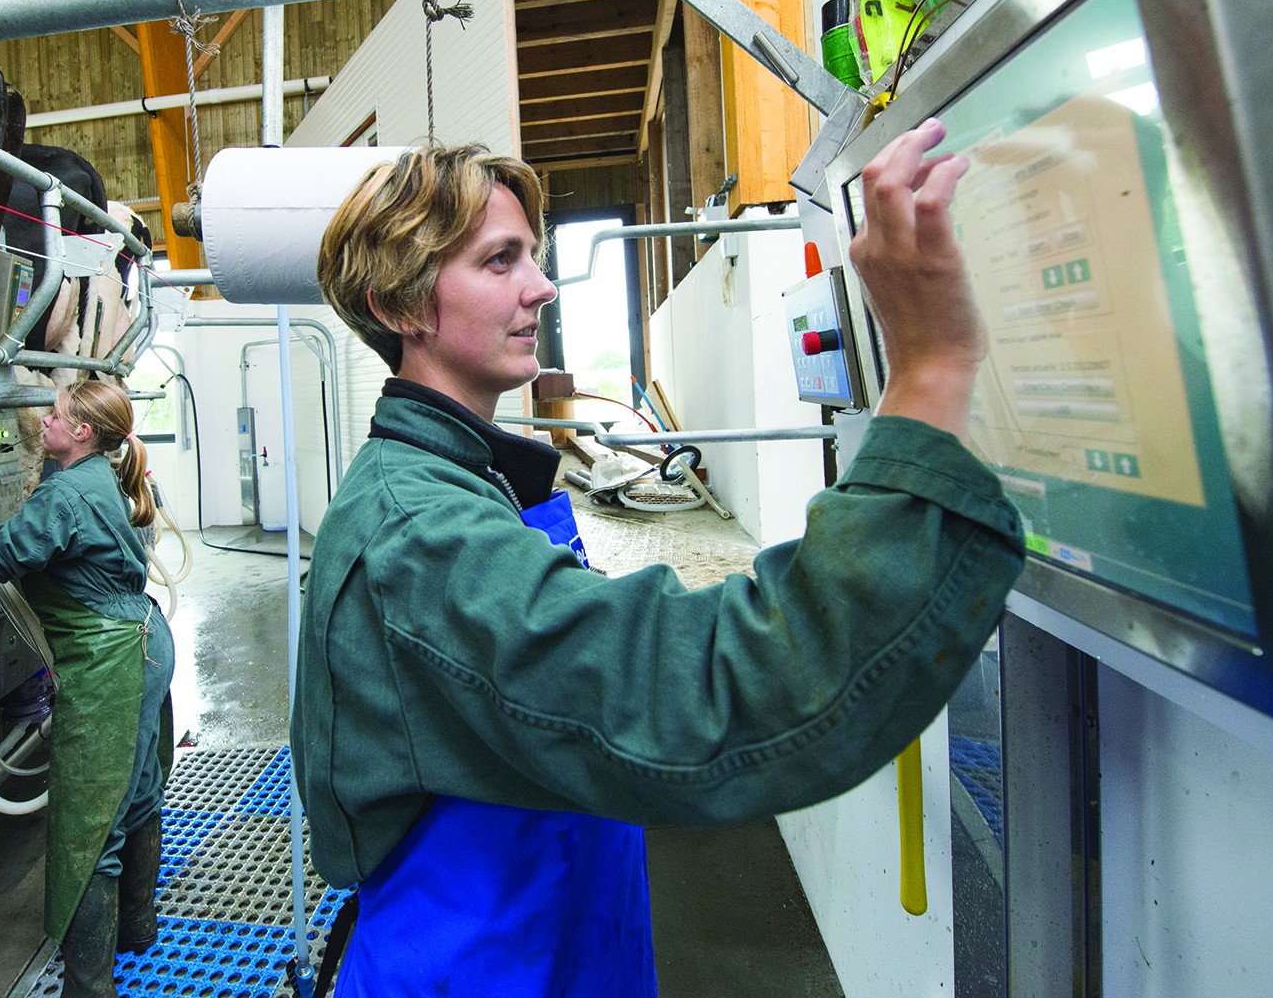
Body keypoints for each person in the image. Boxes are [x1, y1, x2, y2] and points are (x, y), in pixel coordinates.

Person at [290, 120, 1025, 996]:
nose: (543, 286)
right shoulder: (418, 531)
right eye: (500, 260)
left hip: (544, 947)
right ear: (399, 304)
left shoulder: (461, 477)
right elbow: (710, 694)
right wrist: (931, 368)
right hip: (473, 968)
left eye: (534, 253)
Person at [0, 379, 174, 998]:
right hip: (143, 641)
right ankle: (136, 926)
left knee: (88, 826)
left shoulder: (64, 494)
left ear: (81, 432)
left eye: (55, 416)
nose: (45, 423)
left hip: (110, 662)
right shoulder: (92, 481)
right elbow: (21, 546)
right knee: (135, 791)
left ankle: (89, 987)